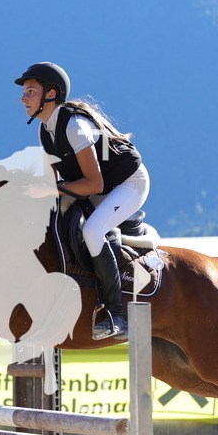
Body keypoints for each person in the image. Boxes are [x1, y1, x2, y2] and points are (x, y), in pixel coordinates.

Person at [15, 62, 149, 340]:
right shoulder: (45, 131)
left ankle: (116, 315)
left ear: (50, 94)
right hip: (99, 188)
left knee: (93, 230)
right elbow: (52, 185)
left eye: (30, 91)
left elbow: (93, 184)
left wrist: (48, 189)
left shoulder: (74, 126)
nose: (23, 98)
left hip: (128, 184)